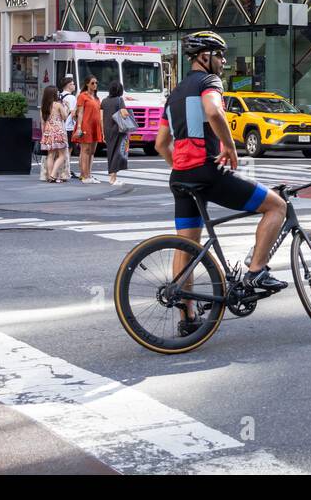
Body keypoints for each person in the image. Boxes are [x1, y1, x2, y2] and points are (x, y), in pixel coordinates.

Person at [156, 30, 288, 333]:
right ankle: (257, 271)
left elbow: (161, 143)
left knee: (187, 245)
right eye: (219, 54)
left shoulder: (173, 94)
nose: (224, 61)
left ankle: (187, 317)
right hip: (208, 171)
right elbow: (214, 111)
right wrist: (228, 146)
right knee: (276, 206)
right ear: (204, 57)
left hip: (180, 176)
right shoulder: (209, 82)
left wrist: (181, 164)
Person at [74, 75, 104, 183]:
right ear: (87, 84)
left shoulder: (96, 98)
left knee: (92, 151)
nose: (95, 85)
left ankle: (88, 174)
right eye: (92, 83)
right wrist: (79, 127)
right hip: (86, 125)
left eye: (96, 83)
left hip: (95, 126)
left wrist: (102, 128)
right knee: (85, 150)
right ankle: (84, 175)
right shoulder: (82, 96)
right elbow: (80, 113)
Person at [39, 85, 68, 183]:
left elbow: (42, 123)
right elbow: (64, 117)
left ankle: (50, 176)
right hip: (58, 130)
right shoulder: (58, 104)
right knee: (62, 155)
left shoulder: (43, 107)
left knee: (50, 155)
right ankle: (52, 175)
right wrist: (66, 107)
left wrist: (43, 135)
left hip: (47, 132)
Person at [102, 82, 129, 184]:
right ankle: (113, 178)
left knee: (110, 152)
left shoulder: (104, 101)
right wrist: (128, 113)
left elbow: (101, 118)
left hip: (107, 129)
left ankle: (112, 176)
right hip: (118, 129)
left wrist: (103, 131)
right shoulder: (119, 100)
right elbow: (124, 113)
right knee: (117, 153)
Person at [60, 76, 79, 180]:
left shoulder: (59, 95)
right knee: (68, 150)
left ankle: (61, 169)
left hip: (60, 126)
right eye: (72, 84)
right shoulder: (71, 97)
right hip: (69, 127)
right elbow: (73, 113)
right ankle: (67, 170)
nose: (74, 85)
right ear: (68, 85)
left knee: (61, 150)